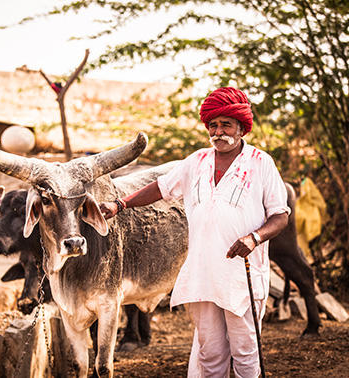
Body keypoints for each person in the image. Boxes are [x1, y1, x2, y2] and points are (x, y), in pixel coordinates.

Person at [100, 87, 290, 378]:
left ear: (242, 127)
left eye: (226, 124)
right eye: (213, 125)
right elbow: (161, 188)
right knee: (210, 354)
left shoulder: (261, 163)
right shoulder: (196, 162)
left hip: (242, 276)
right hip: (202, 275)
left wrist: (254, 238)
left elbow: (280, 216)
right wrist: (120, 204)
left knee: (245, 353)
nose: (218, 131)